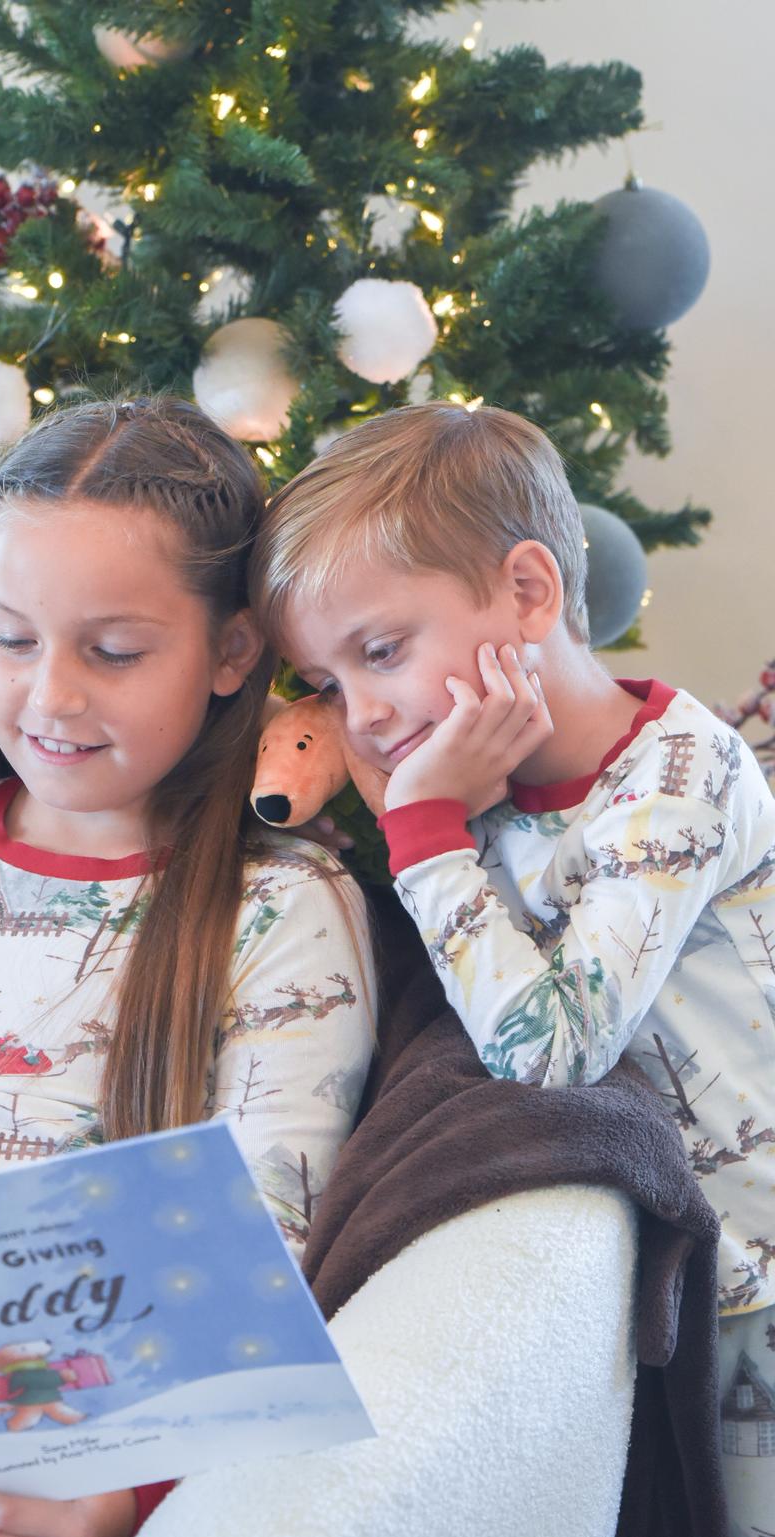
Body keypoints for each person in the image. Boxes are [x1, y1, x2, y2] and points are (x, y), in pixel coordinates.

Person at [0, 397, 375, 1537]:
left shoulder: (284, 909)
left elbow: (263, 1261)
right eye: (13, 637)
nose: (50, 695)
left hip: (89, 1445)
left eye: (114, 650)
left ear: (232, 649)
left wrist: (118, 1499)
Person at [250, 400, 775, 1534]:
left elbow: (548, 1048)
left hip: (761, 1271)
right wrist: (430, 827)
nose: (366, 716)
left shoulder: (682, 772)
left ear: (529, 594)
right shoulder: (476, 795)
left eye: (381, 652)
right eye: (328, 686)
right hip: (660, 1276)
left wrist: (428, 829)